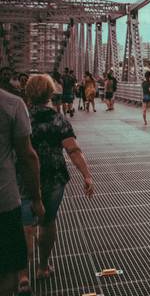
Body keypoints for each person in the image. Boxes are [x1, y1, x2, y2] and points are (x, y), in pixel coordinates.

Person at [15, 75, 94, 293]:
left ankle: (23, 275)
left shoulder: (20, 118)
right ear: (51, 94)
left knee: (25, 226)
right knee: (48, 221)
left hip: (23, 178)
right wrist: (87, 175)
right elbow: (73, 150)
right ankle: (43, 267)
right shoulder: (58, 119)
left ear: (27, 93)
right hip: (53, 178)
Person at [1, 88, 44, 296]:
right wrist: (36, 198)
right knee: (8, 270)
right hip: (4, 201)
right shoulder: (11, 104)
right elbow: (27, 157)